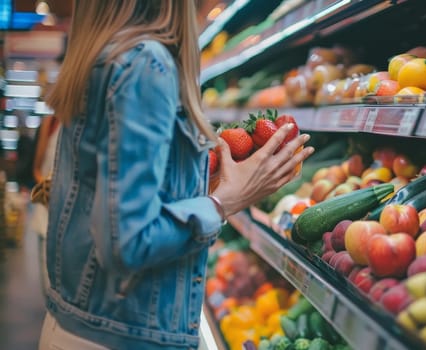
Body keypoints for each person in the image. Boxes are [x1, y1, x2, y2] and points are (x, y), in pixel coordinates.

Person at [38, 1, 314, 350]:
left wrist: (202, 186)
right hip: (123, 337)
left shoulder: (106, 56)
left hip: (80, 325)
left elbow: (108, 197)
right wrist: (223, 202)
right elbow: (128, 241)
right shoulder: (144, 63)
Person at [31, 114, 60, 296]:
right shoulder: (50, 123)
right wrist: (47, 187)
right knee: (48, 281)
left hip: (77, 218)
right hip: (47, 211)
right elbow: (37, 168)